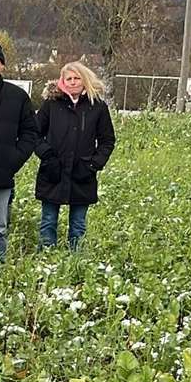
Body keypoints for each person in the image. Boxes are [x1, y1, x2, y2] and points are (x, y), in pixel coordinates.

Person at [33, 61, 116, 250]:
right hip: (52, 172)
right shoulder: (51, 104)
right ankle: (47, 258)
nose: (72, 82)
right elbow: (35, 133)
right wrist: (47, 156)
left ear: (84, 79)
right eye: (68, 78)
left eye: (76, 78)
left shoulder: (97, 107)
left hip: (82, 174)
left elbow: (107, 140)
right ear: (62, 81)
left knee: (78, 225)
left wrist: (94, 164)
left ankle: (76, 262)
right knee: (48, 221)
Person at [0, 40, 39, 261]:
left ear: (2, 65)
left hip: (0, 176)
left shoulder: (17, 96)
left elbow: (31, 132)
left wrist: (14, 158)